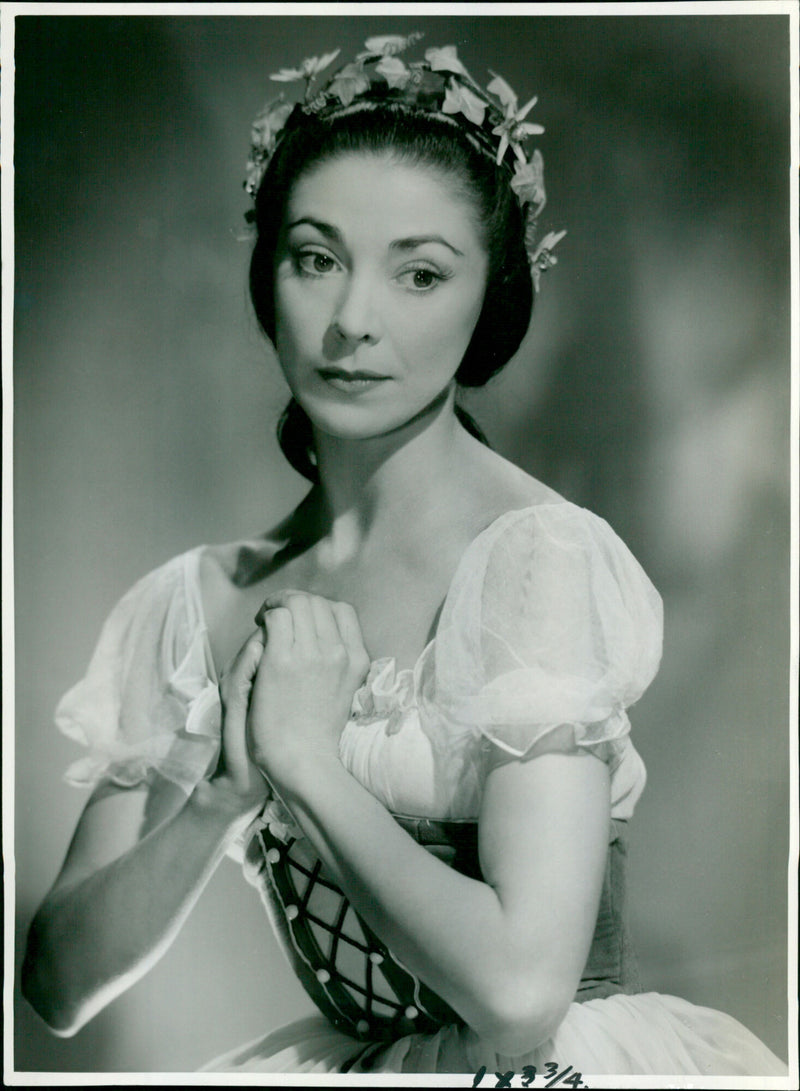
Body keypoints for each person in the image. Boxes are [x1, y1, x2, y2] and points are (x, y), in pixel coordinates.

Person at [21, 35, 788, 1078]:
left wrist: (306, 760)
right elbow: (55, 988)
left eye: (418, 273)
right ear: (267, 276)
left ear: (488, 300)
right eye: (315, 258)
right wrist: (217, 798)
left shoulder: (530, 563)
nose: (350, 322)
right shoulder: (195, 600)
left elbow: (520, 997)